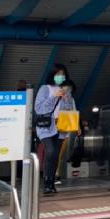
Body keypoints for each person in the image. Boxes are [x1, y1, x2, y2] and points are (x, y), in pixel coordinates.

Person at [35, 63, 69, 194]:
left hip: (61, 126)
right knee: (50, 152)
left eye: (63, 74)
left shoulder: (65, 90)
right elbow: (39, 108)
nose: (61, 77)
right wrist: (54, 96)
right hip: (46, 126)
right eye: (58, 74)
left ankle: (51, 183)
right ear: (52, 74)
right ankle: (46, 182)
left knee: (55, 156)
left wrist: (66, 100)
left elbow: (68, 109)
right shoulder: (45, 88)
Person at [54, 80, 80, 186]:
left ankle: (56, 175)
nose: (68, 90)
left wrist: (77, 127)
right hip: (55, 129)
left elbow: (73, 112)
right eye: (66, 87)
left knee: (60, 154)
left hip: (66, 129)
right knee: (55, 153)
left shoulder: (71, 100)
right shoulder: (56, 97)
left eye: (70, 88)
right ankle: (52, 175)